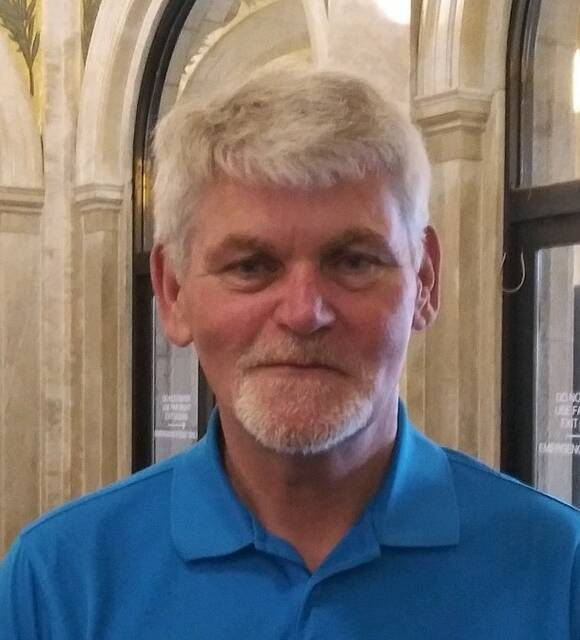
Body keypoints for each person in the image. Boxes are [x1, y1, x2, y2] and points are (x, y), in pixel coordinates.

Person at [0, 67, 579, 639]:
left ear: (423, 282)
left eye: (353, 261)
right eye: (252, 266)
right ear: (173, 292)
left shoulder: (561, 573)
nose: (304, 313)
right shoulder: (59, 584)